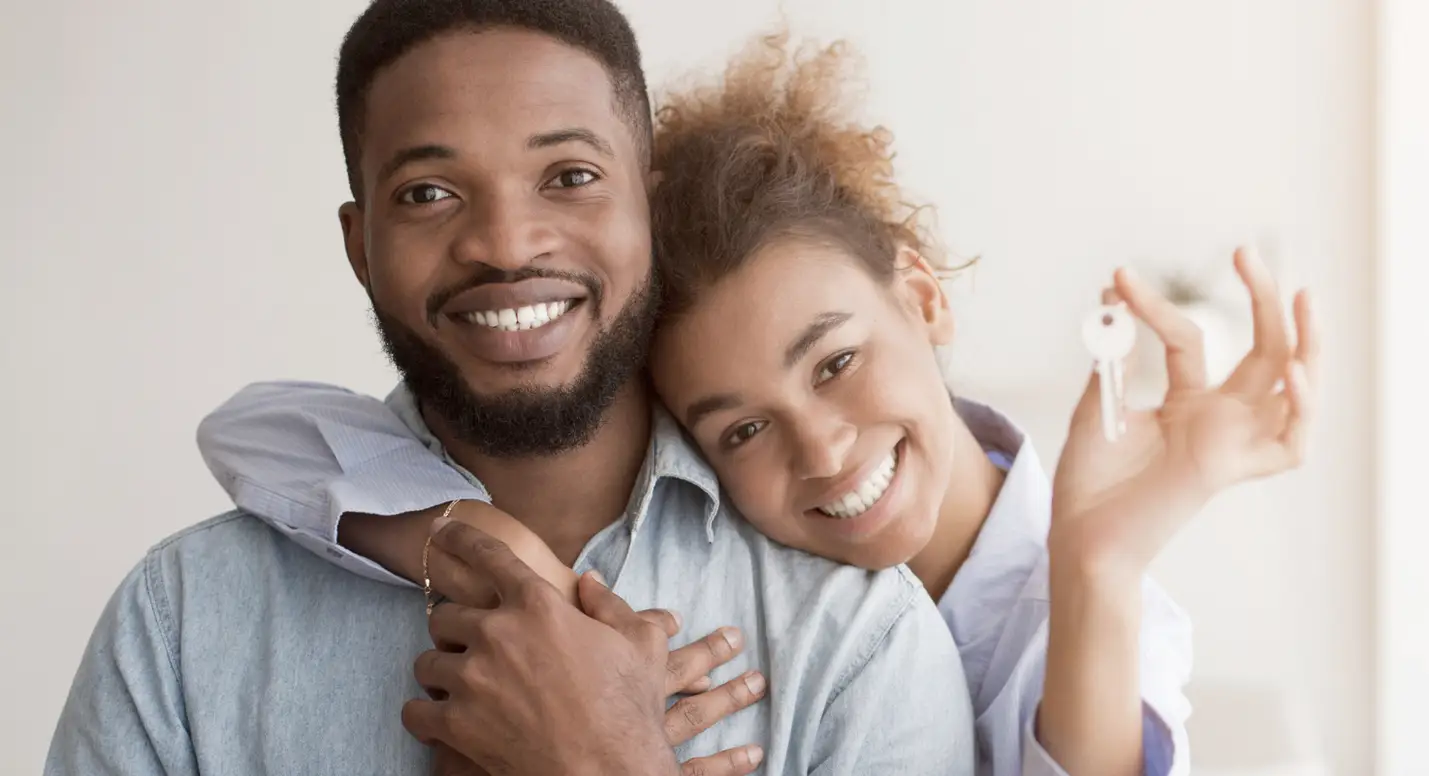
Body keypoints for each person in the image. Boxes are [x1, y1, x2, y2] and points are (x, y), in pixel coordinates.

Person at [193, 30, 1321, 776]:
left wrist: (1098, 567)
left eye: (834, 361)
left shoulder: (1060, 606)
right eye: (741, 427)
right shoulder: (749, 566)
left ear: (919, 290)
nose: (825, 452)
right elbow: (256, 432)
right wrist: (488, 545)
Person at [43, 2, 979, 775]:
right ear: (358, 247)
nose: (506, 242)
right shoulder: (183, 623)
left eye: (568, 176)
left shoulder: (858, 641)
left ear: (643, 208)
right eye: (427, 193)